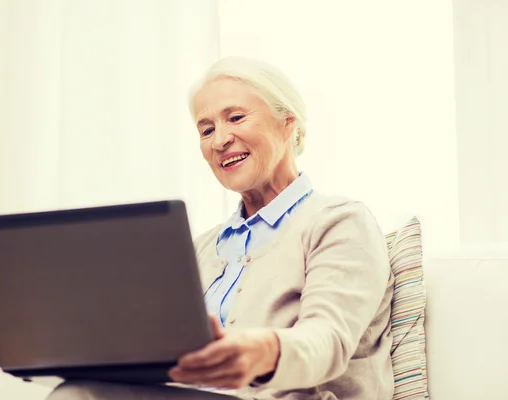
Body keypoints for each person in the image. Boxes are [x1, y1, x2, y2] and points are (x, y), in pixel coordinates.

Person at [48, 56, 395, 400]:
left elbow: (327, 340)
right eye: (207, 129)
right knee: (77, 390)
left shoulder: (339, 222)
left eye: (236, 118)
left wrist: (263, 351)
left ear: (288, 123)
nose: (219, 141)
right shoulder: (199, 249)